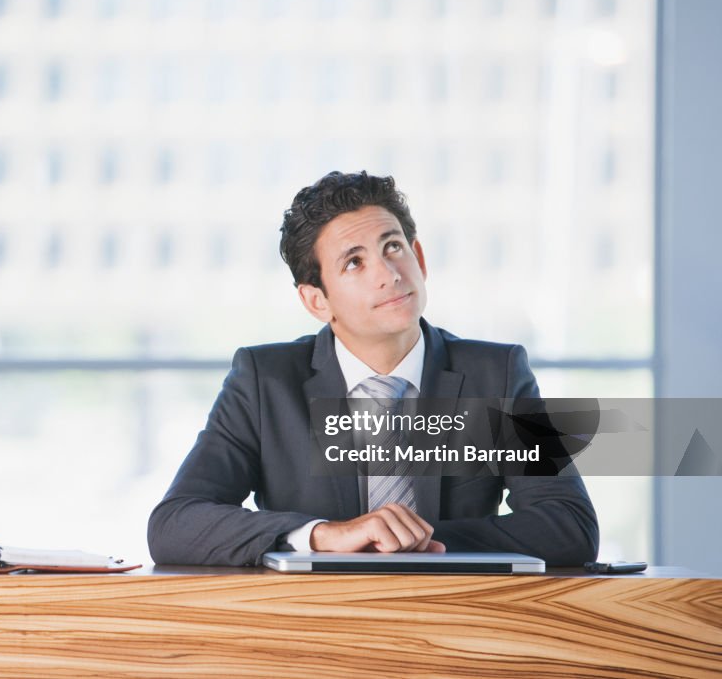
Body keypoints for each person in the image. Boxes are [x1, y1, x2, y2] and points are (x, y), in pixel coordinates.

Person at [148, 171, 599, 567]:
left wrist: (412, 540)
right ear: (316, 300)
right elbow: (175, 523)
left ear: (418, 259)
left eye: (393, 247)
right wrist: (323, 536)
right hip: (313, 632)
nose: (388, 273)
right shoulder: (264, 380)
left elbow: (569, 526)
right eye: (355, 262)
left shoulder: (496, 373)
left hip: (457, 625)